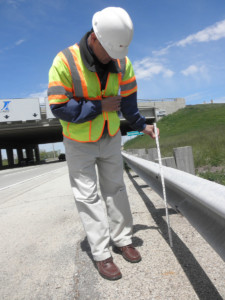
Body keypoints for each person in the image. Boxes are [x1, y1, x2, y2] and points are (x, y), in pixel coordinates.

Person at [48, 7, 159, 281]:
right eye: (109, 52)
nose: (113, 59)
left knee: (116, 188)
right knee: (88, 197)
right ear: (95, 38)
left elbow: (129, 103)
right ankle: (102, 254)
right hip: (78, 141)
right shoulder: (63, 62)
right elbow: (59, 107)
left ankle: (123, 239)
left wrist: (141, 125)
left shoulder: (122, 61)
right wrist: (99, 106)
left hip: (110, 137)